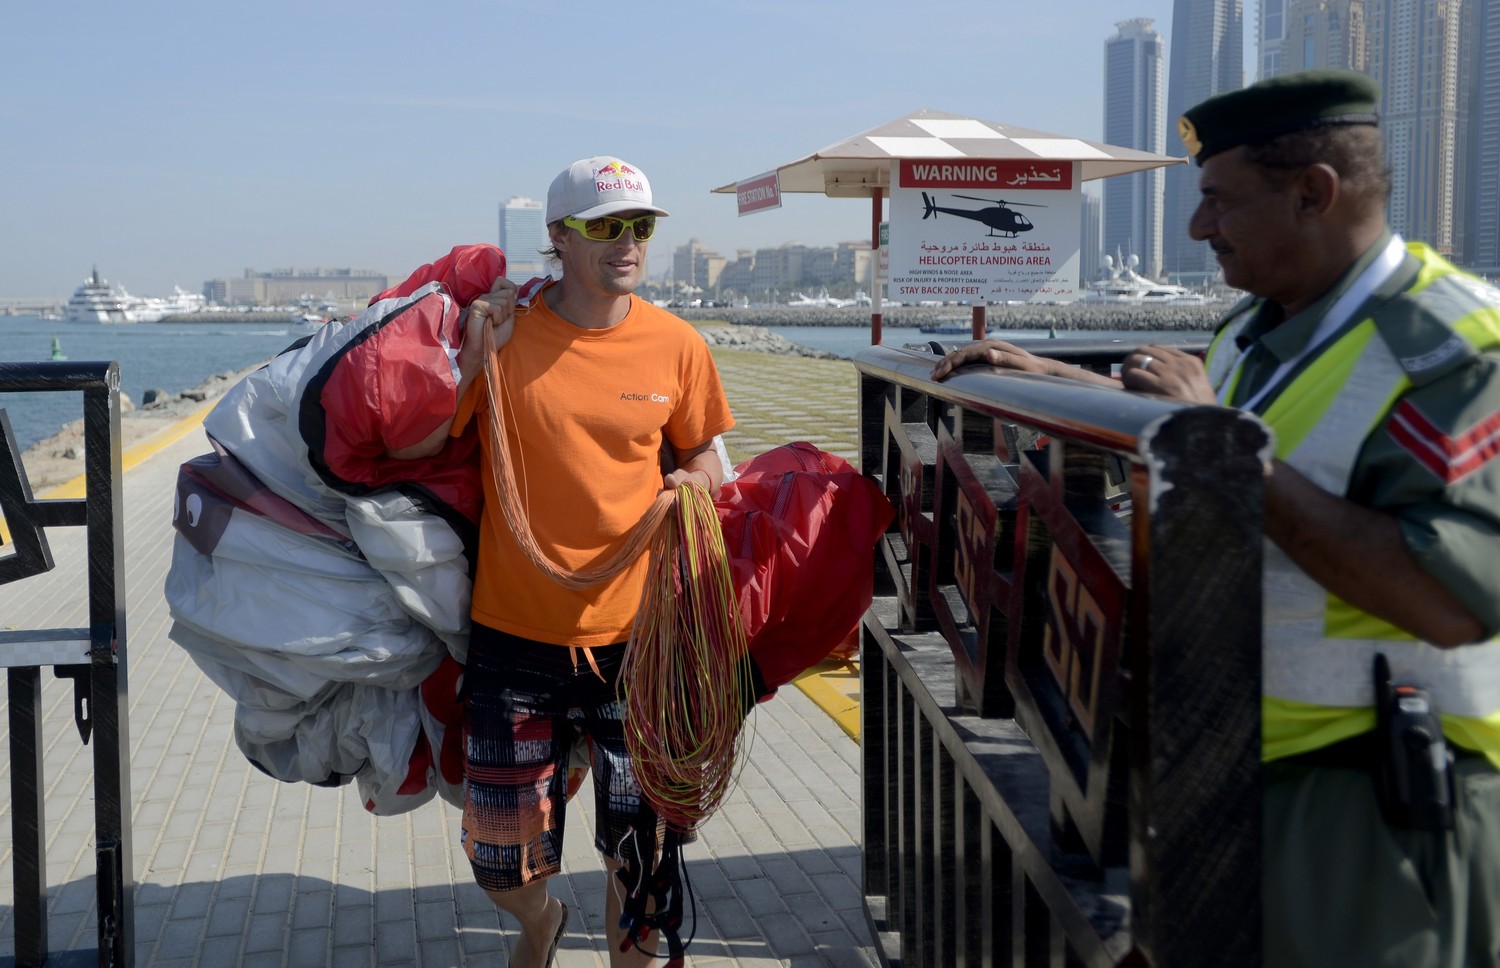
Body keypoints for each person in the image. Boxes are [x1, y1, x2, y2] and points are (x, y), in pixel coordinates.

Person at [932, 71, 1500, 967]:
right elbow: (1224, 419)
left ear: (1314, 192)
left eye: (1218, 203)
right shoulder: (1258, 326)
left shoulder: (1451, 350)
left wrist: (1218, 442)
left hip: (1370, 800)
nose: (1199, 229)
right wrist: (1060, 379)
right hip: (1226, 770)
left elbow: (1449, 599)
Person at [394, 156, 735, 967]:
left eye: (641, 225)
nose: (627, 242)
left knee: (643, 858)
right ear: (558, 237)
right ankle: (538, 922)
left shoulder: (677, 346)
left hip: (639, 641)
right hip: (514, 637)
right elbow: (415, 447)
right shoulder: (506, 333)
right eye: (605, 225)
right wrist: (475, 350)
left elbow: (710, 464)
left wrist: (679, 491)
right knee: (501, 863)